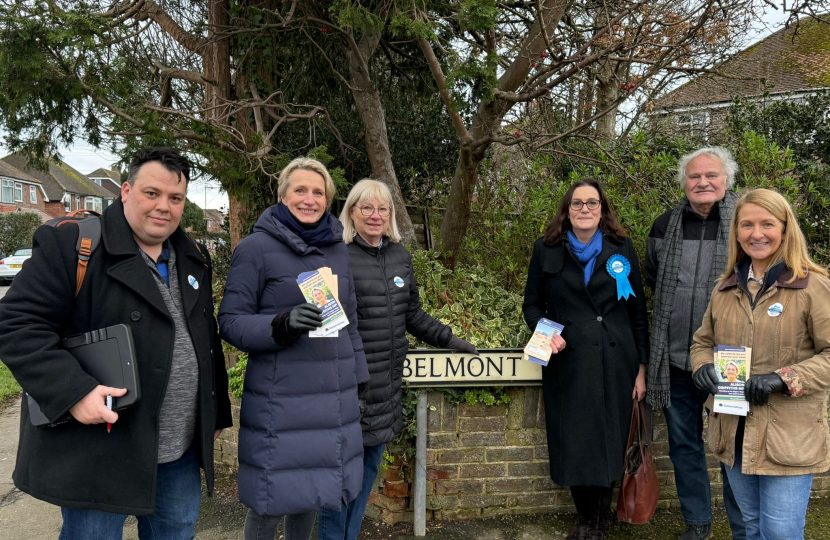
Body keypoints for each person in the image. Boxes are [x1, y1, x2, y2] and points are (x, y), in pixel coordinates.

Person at [0, 147, 232, 539]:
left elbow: (205, 338)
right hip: (100, 450)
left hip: (179, 451)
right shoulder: (75, 245)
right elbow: (16, 324)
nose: (164, 207)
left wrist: (215, 414)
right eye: (152, 193)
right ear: (125, 191)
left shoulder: (194, 257)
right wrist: (75, 392)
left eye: (176, 198)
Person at [316, 179, 478, 540]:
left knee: (366, 476)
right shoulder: (334, 255)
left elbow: (413, 316)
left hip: (385, 390)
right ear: (352, 212)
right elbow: (324, 325)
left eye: (383, 208)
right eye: (367, 208)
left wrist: (450, 339)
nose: (375, 215)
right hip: (346, 389)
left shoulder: (399, 256)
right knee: (340, 483)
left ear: (390, 215)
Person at [218, 157, 369, 540]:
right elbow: (230, 321)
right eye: (300, 190)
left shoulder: (338, 250)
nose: (309, 198)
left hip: (330, 399)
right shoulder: (256, 248)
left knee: (309, 496)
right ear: (283, 195)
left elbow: (348, 319)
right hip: (280, 400)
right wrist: (279, 324)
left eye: (318, 192)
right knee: (270, 500)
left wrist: (359, 379)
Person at [691, 188, 830, 540]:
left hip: (789, 438)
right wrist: (702, 366)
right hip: (734, 431)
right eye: (747, 224)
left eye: (767, 223)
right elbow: (702, 343)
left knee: (780, 533)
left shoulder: (813, 287)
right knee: (750, 528)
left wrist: (784, 378)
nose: (757, 234)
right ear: (736, 232)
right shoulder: (725, 289)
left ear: (785, 229)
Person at [522, 178, 649, 540]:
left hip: (617, 358)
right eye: (577, 204)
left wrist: (641, 366)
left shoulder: (621, 248)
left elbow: (637, 310)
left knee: (611, 437)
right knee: (576, 440)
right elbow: (531, 305)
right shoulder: (545, 249)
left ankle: (597, 523)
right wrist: (548, 331)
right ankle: (587, 520)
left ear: (602, 208)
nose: (584, 210)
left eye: (592, 203)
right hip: (570, 360)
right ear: (567, 209)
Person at [645, 147, 746, 540]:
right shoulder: (665, 223)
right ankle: (697, 525)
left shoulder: (745, 221)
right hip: (673, 359)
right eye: (694, 176)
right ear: (683, 183)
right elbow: (654, 280)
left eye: (711, 175)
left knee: (731, 449)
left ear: (727, 181)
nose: (702, 182)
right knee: (684, 445)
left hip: (731, 360)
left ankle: (742, 526)